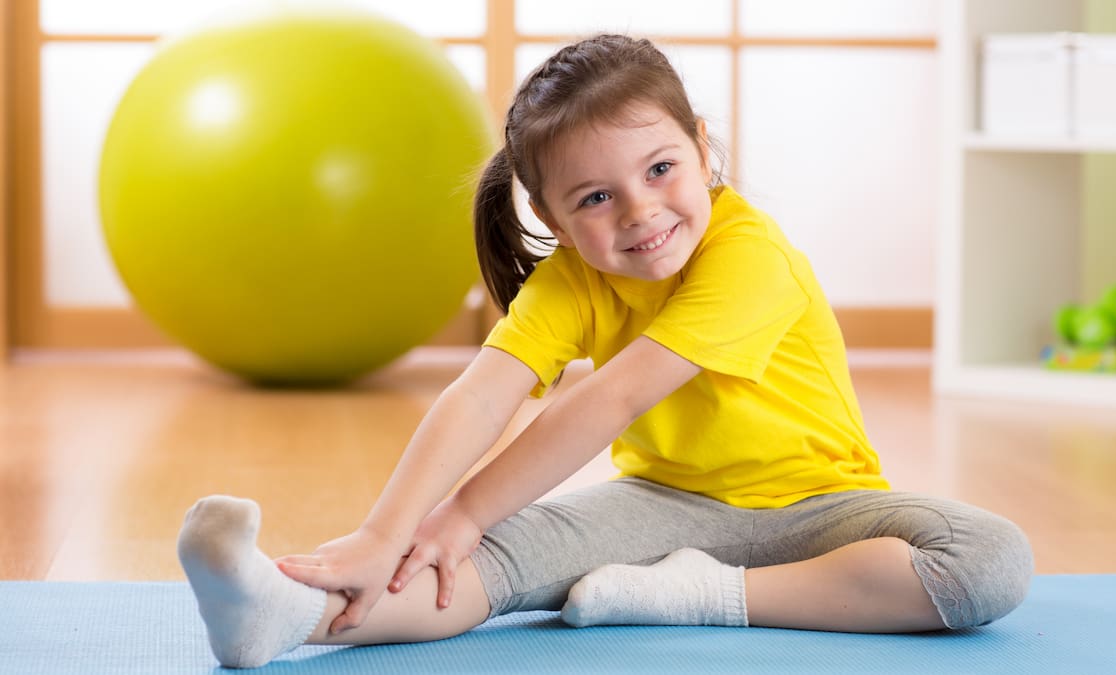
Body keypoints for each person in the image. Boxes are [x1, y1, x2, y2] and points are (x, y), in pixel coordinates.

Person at [176, 34, 1034, 669]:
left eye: (660, 169)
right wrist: (387, 530)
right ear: (551, 217)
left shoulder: (751, 255)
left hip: (819, 512)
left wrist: (465, 508)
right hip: (661, 505)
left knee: (989, 561)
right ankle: (282, 614)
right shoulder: (572, 280)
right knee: (466, 559)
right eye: (595, 197)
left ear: (702, 147)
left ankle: (699, 595)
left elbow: (613, 397)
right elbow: (482, 394)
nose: (639, 211)